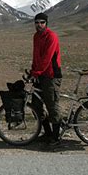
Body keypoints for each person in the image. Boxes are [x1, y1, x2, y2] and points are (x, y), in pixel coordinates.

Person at [30, 12, 62, 145]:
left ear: (46, 23)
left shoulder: (51, 36)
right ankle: (47, 133)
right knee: (36, 105)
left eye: (42, 22)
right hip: (40, 75)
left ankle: (56, 137)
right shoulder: (36, 36)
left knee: (52, 105)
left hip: (51, 75)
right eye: (37, 22)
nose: (39, 25)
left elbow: (47, 58)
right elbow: (36, 56)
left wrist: (36, 72)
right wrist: (33, 70)